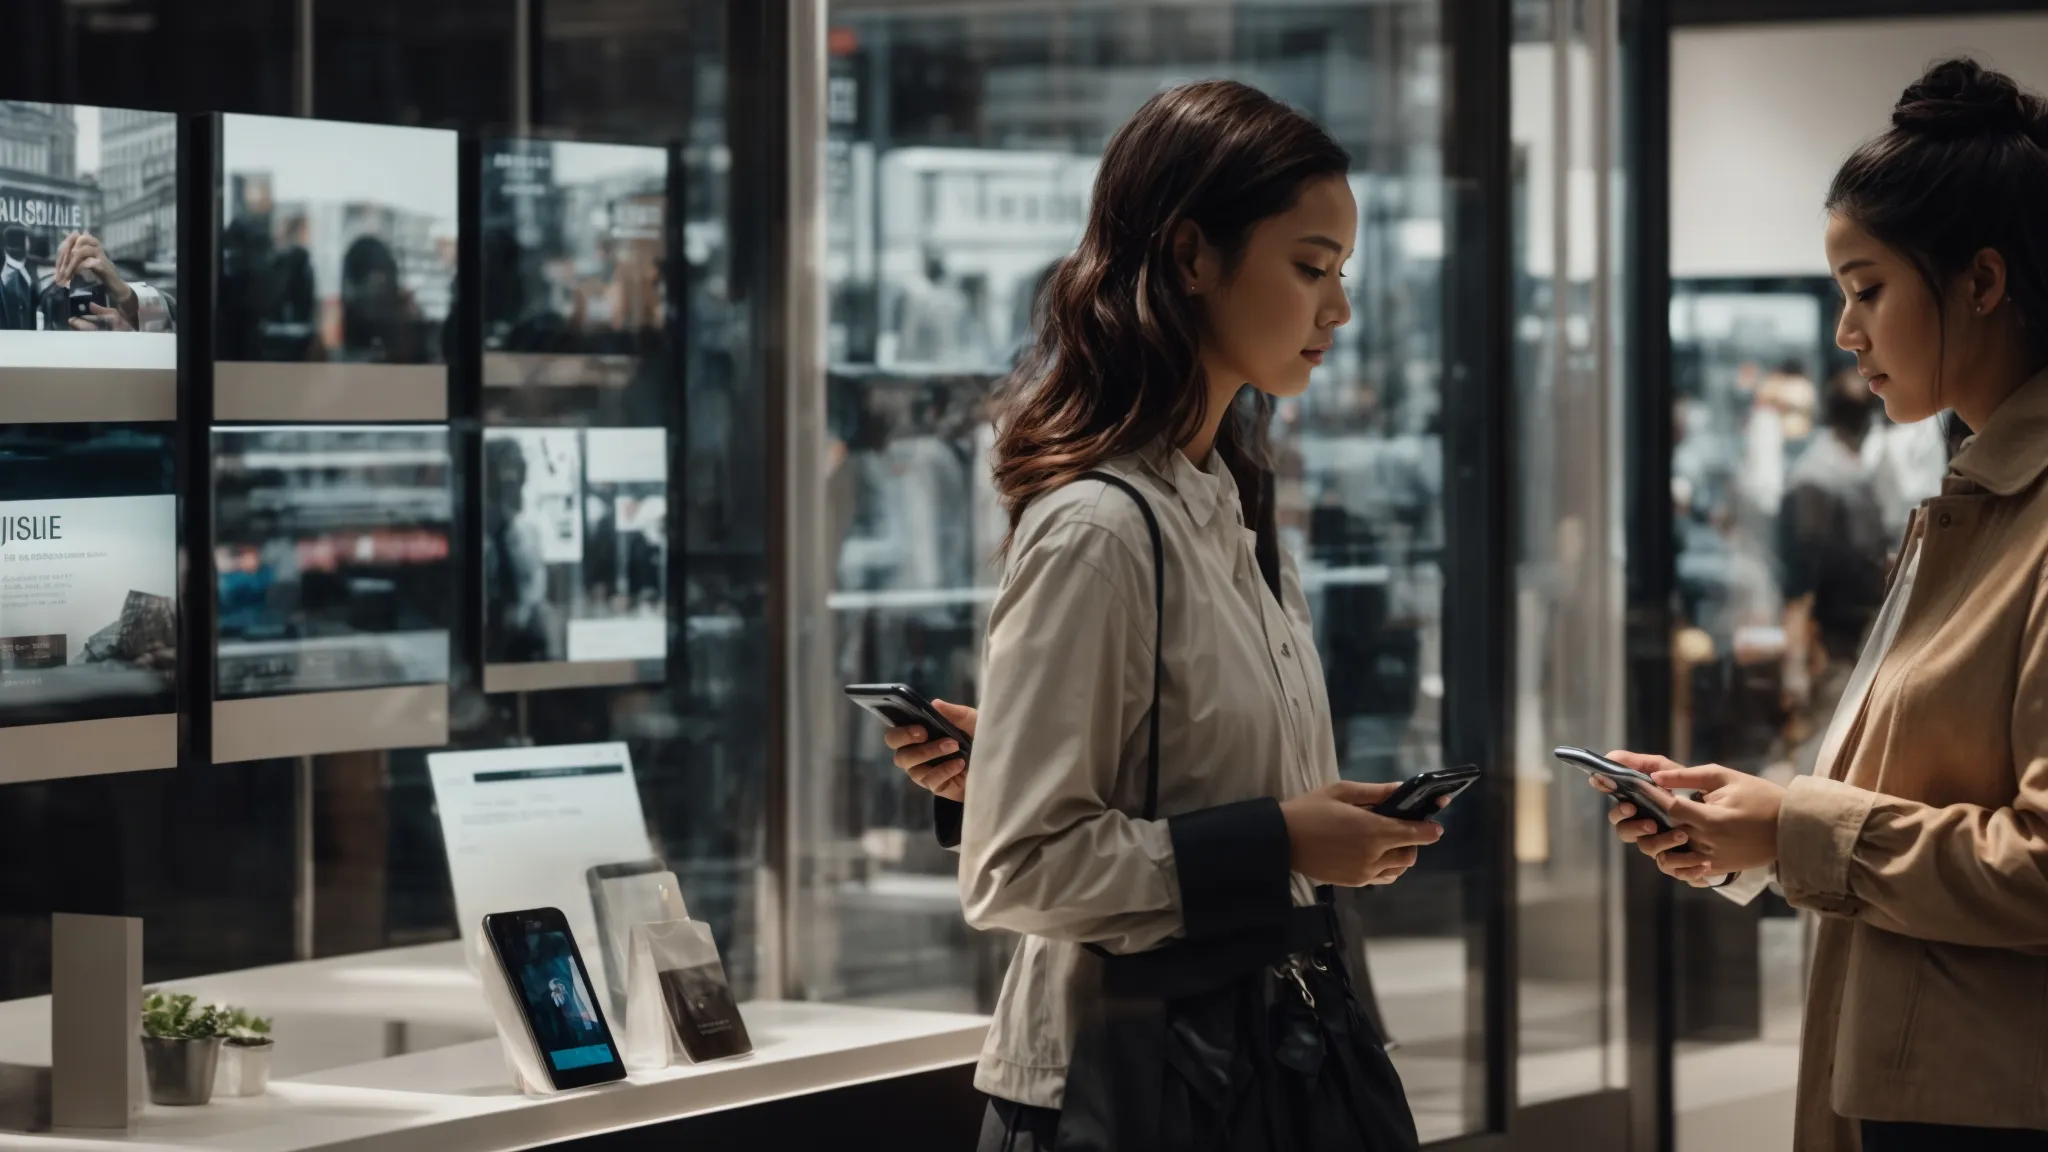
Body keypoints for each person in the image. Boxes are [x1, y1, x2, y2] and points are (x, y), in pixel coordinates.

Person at [884, 80, 1440, 1151]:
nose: (1339, 309)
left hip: (1254, 1061)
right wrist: (1282, 837)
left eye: (1341, 273)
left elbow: (1182, 781)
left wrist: (1316, 825)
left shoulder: (1228, 502)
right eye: (1310, 267)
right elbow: (1018, 869)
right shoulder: (1099, 526)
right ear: (1191, 256)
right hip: (1129, 1090)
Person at [1595, 58, 2048, 1151]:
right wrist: (1753, 831)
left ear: (1979, 282)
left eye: (1865, 287)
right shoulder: (1971, 498)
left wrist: (1796, 824)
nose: (1845, 334)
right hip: (1924, 1089)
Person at [1776, 369, 1889, 778]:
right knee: (1824, 747)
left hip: (1852, 633)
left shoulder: (1846, 466)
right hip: (1830, 639)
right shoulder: (1818, 477)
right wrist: (1798, 659)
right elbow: (1801, 580)